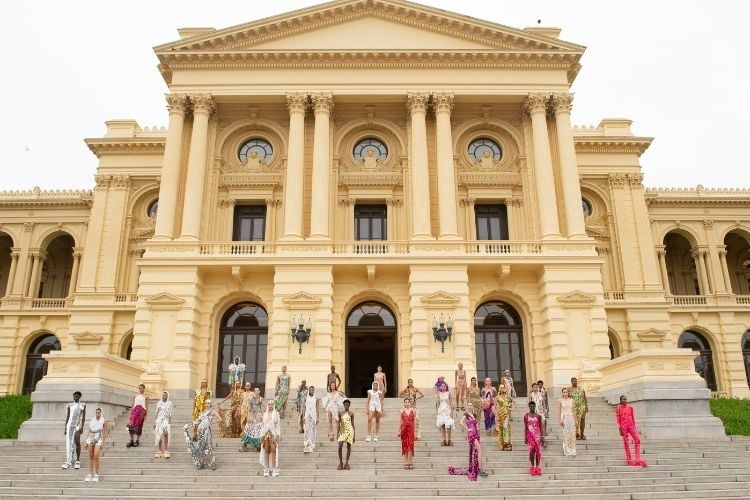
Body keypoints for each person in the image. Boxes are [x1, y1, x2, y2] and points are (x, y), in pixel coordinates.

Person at [448, 401, 484, 481]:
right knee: (479, 450)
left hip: (476, 434)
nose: (470, 407)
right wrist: (468, 429)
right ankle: (480, 469)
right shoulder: (466, 414)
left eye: (471, 405)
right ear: (467, 407)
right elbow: (461, 422)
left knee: (476, 451)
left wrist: (478, 431)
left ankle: (478, 468)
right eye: (469, 405)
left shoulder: (474, 415)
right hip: (471, 435)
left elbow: (477, 425)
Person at [184, 398, 221, 470]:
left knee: (209, 446)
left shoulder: (213, 411)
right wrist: (191, 426)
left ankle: (213, 463)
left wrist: (212, 423)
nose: (207, 404)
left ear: (211, 404)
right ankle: (202, 463)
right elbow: (197, 422)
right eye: (206, 403)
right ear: (205, 404)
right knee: (201, 447)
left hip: (207, 431)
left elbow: (220, 419)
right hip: (200, 431)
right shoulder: (202, 412)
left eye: (209, 403)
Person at [616, 395, 647, 467]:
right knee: (626, 443)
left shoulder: (630, 407)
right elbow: (618, 419)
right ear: (620, 401)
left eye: (625, 399)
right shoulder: (618, 408)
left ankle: (638, 458)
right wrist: (620, 428)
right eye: (623, 399)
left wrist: (634, 427)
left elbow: (633, 418)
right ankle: (629, 459)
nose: (625, 400)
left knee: (637, 439)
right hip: (623, 427)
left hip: (631, 426)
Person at [62, 391, 85, 470]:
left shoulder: (82, 405)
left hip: (77, 426)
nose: (75, 398)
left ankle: (77, 460)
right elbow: (67, 417)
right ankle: (68, 461)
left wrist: (82, 427)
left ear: (79, 397)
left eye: (77, 396)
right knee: (69, 443)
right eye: (74, 396)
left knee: (77, 441)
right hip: (69, 426)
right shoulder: (69, 405)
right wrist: (65, 427)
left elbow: (83, 417)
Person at [83, 407, 107, 482]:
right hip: (91, 438)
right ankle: (90, 473)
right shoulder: (92, 420)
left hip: (98, 438)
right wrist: (86, 441)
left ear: (101, 413)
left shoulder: (104, 420)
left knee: (96, 455)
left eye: (98, 413)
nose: (97, 414)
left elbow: (105, 432)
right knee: (90, 456)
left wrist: (103, 442)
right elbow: (89, 430)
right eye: (96, 412)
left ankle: (96, 473)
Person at [259, 399, 282, 477]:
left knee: (273, 450)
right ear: (267, 405)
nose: (270, 405)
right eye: (269, 404)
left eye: (272, 404)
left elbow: (278, 425)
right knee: (266, 450)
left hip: (273, 434)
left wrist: (278, 434)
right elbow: (262, 425)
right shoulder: (265, 414)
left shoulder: (276, 414)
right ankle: (266, 469)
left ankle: (274, 468)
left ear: (274, 405)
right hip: (265, 434)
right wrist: (261, 435)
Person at [240, 387, 263, 452]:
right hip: (252, 415)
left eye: (257, 390)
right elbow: (249, 409)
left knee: (258, 431)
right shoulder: (250, 398)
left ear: (259, 391)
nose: (256, 391)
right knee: (248, 430)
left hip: (258, 415)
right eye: (255, 390)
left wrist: (262, 416)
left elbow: (262, 408)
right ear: (254, 392)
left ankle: (257, 445)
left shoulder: (261, 399)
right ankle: (244, 446)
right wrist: (249, 416)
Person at [524, 401, 544, 476]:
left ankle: (537, 467)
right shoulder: (526, 415)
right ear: (529, 407)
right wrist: (525, 437)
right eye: (531, 406)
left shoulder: (538, 416)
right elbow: (526, 427)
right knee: (532, 450)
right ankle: (532, 466)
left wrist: (542, 436)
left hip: (537, 435)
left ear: (535, 406)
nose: (532, 407)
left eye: (533, 406)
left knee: (538, 451)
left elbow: (541, 427)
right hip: (530, 435)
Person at [127, 384, 148, 448]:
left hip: (142, 412)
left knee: (139, 426)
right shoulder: (135, 396)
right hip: (135, 411)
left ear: (144, 389)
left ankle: (138, 440)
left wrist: (146, 415)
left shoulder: (146, 396)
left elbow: (146, 406)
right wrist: (131, 413)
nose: (140, 389)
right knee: (130, 426)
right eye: (139, 388)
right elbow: (133, 405)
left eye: (141, 388)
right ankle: (132, 440)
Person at [153, 391, 173, 459]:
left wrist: (169, 422)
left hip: (166, 421)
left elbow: (170, 413)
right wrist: (155, 422)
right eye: (163, 395)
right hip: (159, 421)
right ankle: (159, 451)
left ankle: (166, 450)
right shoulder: (159, 403)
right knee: (159, 435)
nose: (164, 396)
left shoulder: (169, 403)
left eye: (165, 395)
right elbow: (156, 413)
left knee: (166, 434)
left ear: (167, 396)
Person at [398, 398, 417, 469]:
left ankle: (410, 462)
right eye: (405, 402)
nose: (406, 403)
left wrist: (415, 431)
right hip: (404, 430)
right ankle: (406, 462)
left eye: (408, 402)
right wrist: (398, 430)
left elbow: (414, 422)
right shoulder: (401, 411)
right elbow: (400, 421)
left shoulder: (413, 410)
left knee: (410, 446)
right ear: (404, 403)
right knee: (405, 446)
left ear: (410, 403)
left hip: (411, 430)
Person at [558, 387, 577, 456]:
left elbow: (574, 411)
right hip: (564, 418)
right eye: (564, 392)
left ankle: (572, 450)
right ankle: (567, 450)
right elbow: (558, 411)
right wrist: (560, 420)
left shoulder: (572, 400)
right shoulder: (560, 401)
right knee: (566, 434)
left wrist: (576, 420)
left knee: (572, 434)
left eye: (566, 392)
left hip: (571, 418)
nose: (565, 393)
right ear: (562, 393)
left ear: (568, 393)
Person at [337, 399, 355, 470]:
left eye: (347, 405)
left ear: (349, 405)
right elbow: (338, 424)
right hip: (342, 431)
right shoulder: (340, 413)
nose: (346, 406)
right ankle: (341, 462)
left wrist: (354, 436)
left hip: (349, 431)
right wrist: (338, 433)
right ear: (343, 405)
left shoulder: (351, 414)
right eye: (345, 405)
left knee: (348, 447)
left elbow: (353, 425)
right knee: (340, 446)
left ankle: (347, 463)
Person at [494, 383, 513, 451]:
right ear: (499, 389)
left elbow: (514, 403)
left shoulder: (507, 396)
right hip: (500, 414)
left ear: (505, 388)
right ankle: (504, 444)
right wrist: (496, 415)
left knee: (505, 427)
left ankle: (508, 443)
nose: (502, 389)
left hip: (506, 414)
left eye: (503, 387)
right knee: (502, 428)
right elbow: (494, 406)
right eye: (501, 388)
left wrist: (510, 408)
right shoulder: (497, 397)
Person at [436, 381, 454, 446]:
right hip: (441, 410)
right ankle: (444, 440)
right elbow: (438, 403)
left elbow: (451, 403)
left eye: (444, 386)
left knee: (448, 425)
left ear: (446, 387)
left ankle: (449, 440)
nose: (443, 387)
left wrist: (452, 413)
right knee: (442, 425)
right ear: (440, 387)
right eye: (442, 386)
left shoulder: (448, 393)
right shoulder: (438, 394)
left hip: (447, 410)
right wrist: (437, 413)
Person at [302, 385, 319, 453]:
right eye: (310, 390)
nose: (311, 391)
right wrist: (303, 417)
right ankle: (306, 446)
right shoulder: (306, 398)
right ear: (309, 390)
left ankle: (311, 446)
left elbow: (317, 409)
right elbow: (304, 408)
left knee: (312, 431)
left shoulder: (316, 399)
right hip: (307, 416)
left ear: (314, 391)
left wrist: (317, 418)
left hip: (313, 416)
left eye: (313, 390)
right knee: (306, 430)